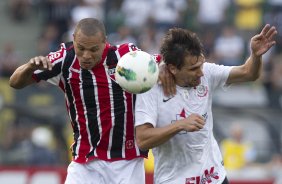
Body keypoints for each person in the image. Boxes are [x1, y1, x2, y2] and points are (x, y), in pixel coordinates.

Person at [9, 18, 170, 184]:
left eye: (94, 49)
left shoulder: (125, 56)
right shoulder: (64, 59)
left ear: (104, 42)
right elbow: (15, 83)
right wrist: (30, 66)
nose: (86, 55)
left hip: (126, 161)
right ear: (73, 40)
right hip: (85, 162)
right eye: (81, 48)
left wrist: (163, 66)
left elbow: (161, 63)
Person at [134, 25, 277, 184]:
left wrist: (255, 56)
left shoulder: (206, 73)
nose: (201, 72)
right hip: (173, 180)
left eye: (201, 64)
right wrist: (179, 125)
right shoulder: (151, 89)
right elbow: (142, 139)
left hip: (214, 177)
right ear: (173, 68)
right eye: (193, 68)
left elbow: (248, 73)